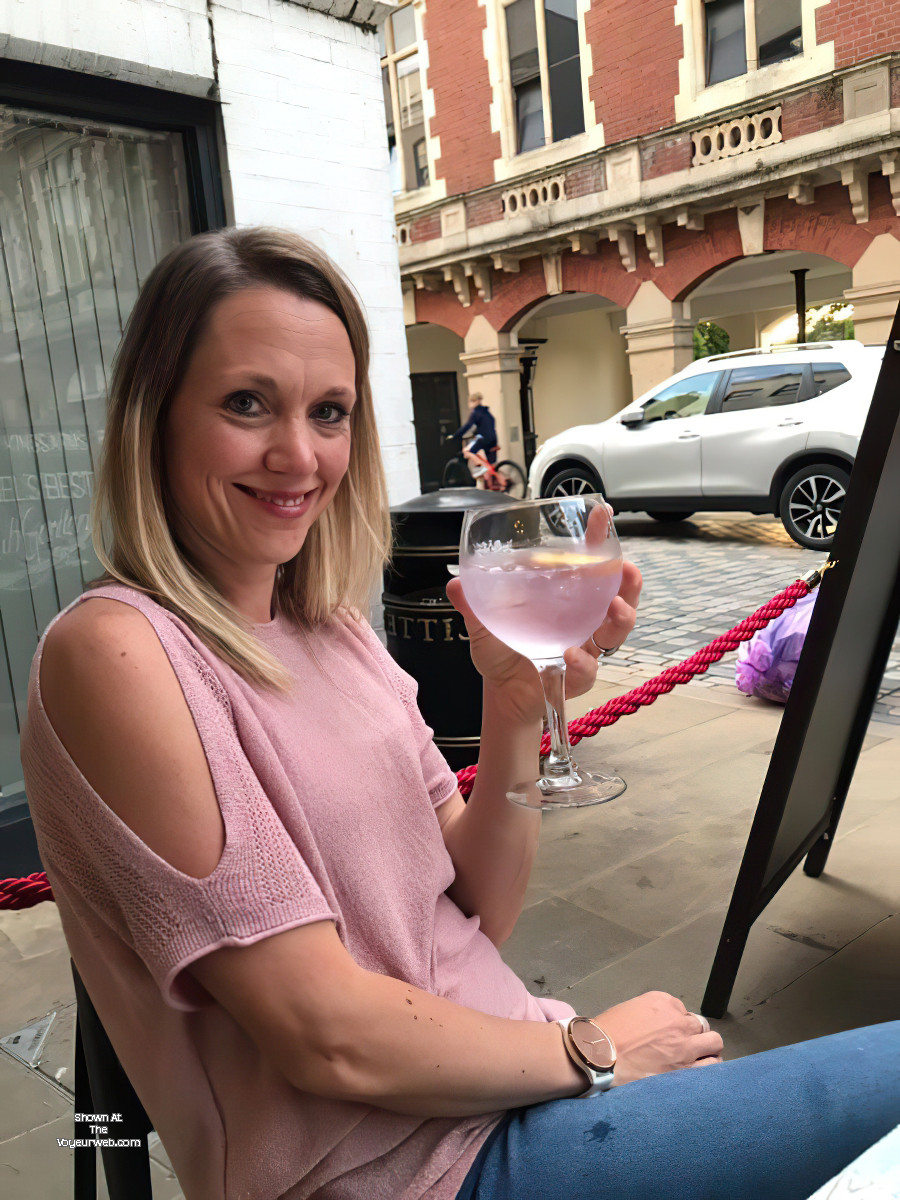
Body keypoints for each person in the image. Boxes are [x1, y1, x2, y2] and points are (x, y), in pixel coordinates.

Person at [21, 227, 898, 1200]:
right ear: (154, 416)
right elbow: (324, 1037)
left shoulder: (332, 629)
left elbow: (477, 911)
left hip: (513, 1082)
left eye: (329, 411)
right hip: (407, 1168)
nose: (298, 454)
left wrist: (514, 704)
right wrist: (594, 1051)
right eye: (245, 403)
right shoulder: (118, 654)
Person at [449, 392, 498, 485]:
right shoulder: (486, 412)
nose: (469, 404)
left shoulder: (476, 413)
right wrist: (476, 432)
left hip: (484, 439)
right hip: (493, 439)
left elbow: (467, 426)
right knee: (491, 466)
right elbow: (487, 425)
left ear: (474, 401)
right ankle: (497, 483)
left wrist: (456, 435)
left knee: (467, 452)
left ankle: (481, 467)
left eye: (470, 401)